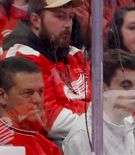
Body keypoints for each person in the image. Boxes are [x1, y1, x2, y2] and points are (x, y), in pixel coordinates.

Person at [1, 0, 89, 140]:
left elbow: (101, 104)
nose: (67, 24)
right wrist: (98, 124)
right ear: (36, 20)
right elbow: (48, 119)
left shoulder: (76, 55)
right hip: (38, 149)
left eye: (70, 17)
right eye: (60, 17)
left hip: (84, 140)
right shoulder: (21, 57)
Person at [0, 56, 76, 155]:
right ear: (2, 96)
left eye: (40, 92)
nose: (37, 100)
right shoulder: (3, 144)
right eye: (27, 93)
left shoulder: (48, 146)